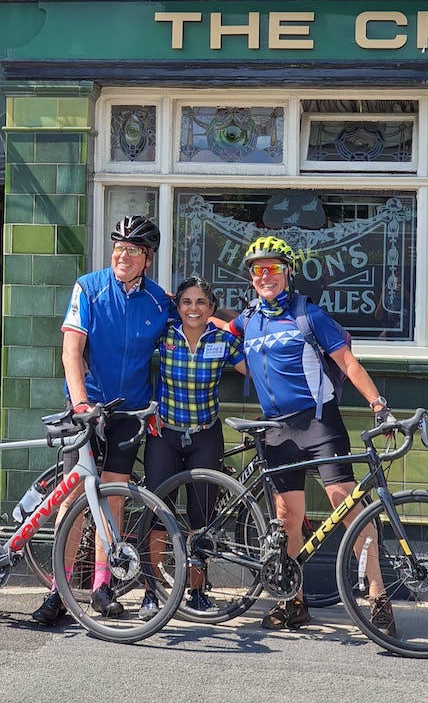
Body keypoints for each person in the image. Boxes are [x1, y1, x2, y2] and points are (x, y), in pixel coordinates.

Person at [228, 235, 396, 634]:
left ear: (288, 272)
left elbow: (348, 362)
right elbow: (214, 327)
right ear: (251, 278)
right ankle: (293, 602)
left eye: (272, 268)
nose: (265, 275)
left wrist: (377, 404)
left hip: (318, 422)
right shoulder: (247, 319)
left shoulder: (308, 314)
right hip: (274, 429)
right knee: (287, 519)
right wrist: (174, 305)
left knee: (347, 505)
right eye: (258, 270)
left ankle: (378, 598)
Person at [31, 214, 176, 625]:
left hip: (129, 412)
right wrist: (80, 405)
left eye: (132, 249)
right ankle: (57, 591)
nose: (122, 255)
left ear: (148, 258)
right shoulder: (89, 287)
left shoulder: (158, 301)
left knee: (112, 498)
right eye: (118, 247)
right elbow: (71, 352)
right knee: (73, 497)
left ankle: (100, 587)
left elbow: (195, 323)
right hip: (88, 410)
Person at [140, 276, 246, 621]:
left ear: (211, 308)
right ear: (178, 307)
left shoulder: (223, 340)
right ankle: (152, 591)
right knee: (159, 514)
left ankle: (198, 591)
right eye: (186, 302)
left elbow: (258, 369)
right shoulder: (164, 334)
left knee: (202, 519)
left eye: (201, 302)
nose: (193, 309)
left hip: (205, 435)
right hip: (164, 434)